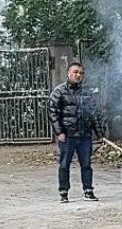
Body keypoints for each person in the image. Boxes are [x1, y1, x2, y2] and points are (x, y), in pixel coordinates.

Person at [48, 61, 102, 203]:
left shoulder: (87, 93)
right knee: (64, 164)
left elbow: (93, 114)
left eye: (81, 73)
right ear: (68, 73)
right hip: (67, 135)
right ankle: (63, 192)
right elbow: (53, 113)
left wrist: (99, 134)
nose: (78, 75)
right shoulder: (59, 92)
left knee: (86, 165)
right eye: (75, 72)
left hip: (84, 135)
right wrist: (59, 132)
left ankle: (88, 191)